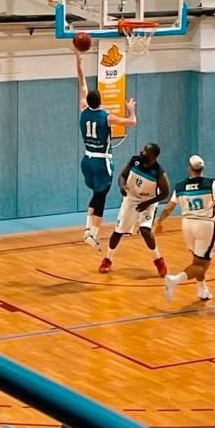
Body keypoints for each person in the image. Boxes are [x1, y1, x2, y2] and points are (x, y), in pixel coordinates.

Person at [75, 49, 137, 250]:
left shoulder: (83, 109)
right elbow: (132, 122)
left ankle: (87, 229)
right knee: (101, 196)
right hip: (102, 160)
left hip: (86, 159)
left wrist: (78, 61)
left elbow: (82, 84)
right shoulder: (106, 117)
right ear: (100, 101)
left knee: (95, 193)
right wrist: (131, 109)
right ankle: (94, 234)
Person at [157, 155, 215, 304]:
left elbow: (168, 208)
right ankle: (174, 280)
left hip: (187, 225)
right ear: (202, 169)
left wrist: (159, 222)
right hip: (205, 225)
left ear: (189, 169)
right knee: (202, 266)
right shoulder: (210, 183)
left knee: (196, 260)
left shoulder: (180, 186)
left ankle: (202, 289)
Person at [98, 143, 170, 276]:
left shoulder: (159, 172)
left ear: (153, 156)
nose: (142, 153)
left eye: (145, 152)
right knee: (118, 232)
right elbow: (122, 176)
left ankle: (158, 261)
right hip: (130, 198)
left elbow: (165, 193)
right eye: (143, 150)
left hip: (149, 201)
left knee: (145, 231)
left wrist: (148, 203)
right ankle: (107, 259)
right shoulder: (134, 161)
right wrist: (122, 186)